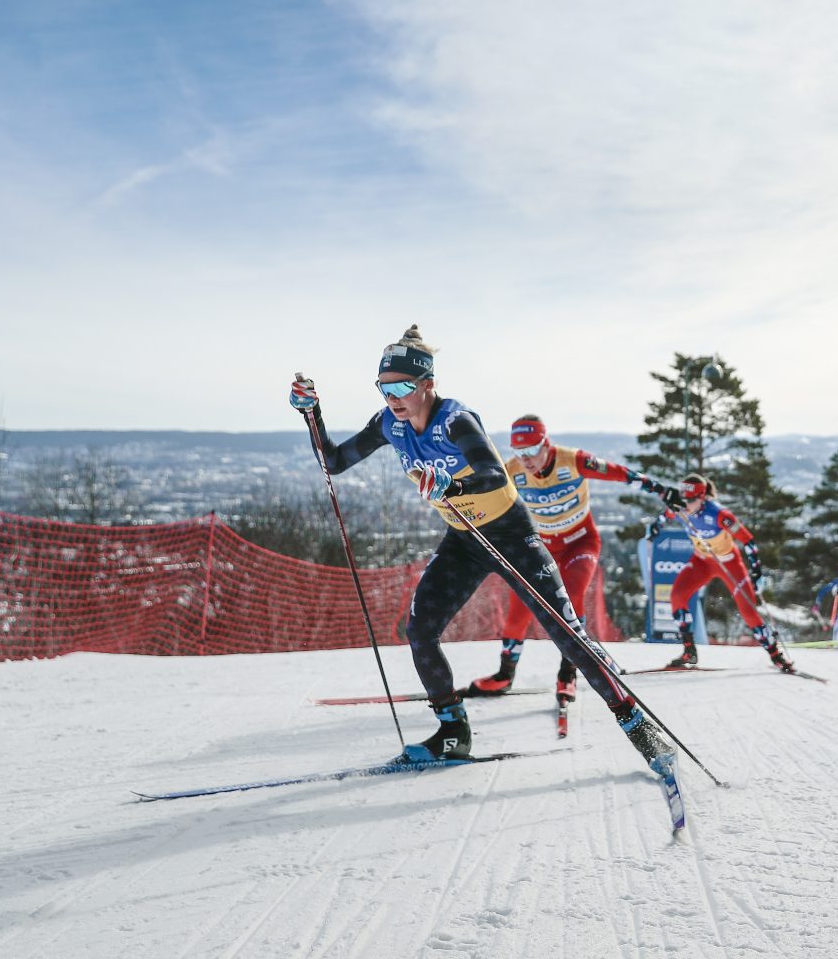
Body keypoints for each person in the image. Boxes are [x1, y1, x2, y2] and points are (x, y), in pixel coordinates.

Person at [288, 325, 675, 775]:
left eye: (401, 386)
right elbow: (332, 461)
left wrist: (454, 482)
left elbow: (493, 473)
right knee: (420, 629)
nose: (392, 396)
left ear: (427, 385)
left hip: (510, 534)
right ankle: (452, 732)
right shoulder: (388, 423)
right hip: (464, 539)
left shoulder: (455, 419)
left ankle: (639, 728)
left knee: (565, 633)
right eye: (383, 386)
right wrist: (312, 414)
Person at [467, 414, 677, 701]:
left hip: (580, 543)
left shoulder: (572, 460)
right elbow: (484, 501)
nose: (526, 459)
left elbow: (617, 472)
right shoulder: (511, 471)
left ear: (546, 443)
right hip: (538, 548)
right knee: (519, 608)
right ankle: (505, 675)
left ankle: (568, 674)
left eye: (531, 450)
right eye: (519, 452)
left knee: (572, 596)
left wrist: (660, 489)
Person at [647, 474, 794, 672]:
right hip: (701, 561)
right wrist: (655, 526)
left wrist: (756, 572)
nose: (686, 504)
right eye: (684, 499)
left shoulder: (718, 514)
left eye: (691, 500)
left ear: (703, 497)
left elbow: (748, 540)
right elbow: (665, 516)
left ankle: (776, 655)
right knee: (677, 596)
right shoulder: (680, 508)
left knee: (748, 611)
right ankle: (689, 651)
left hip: (728, 562)